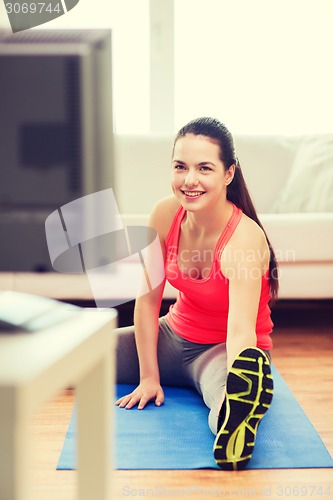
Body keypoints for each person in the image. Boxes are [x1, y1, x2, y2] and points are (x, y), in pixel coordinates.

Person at [115, 117, 277, 470]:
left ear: (228, 174)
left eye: (204, 168)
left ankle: (237, 420)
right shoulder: (164, 214)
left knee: (225, 402)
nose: (189, 180)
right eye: (180, 167)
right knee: (82, 352)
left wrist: (238, 371)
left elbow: (240, 331)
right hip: (173, 336)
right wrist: (148, 377)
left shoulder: (244, 240)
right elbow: (147, 300)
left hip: (222, 349)